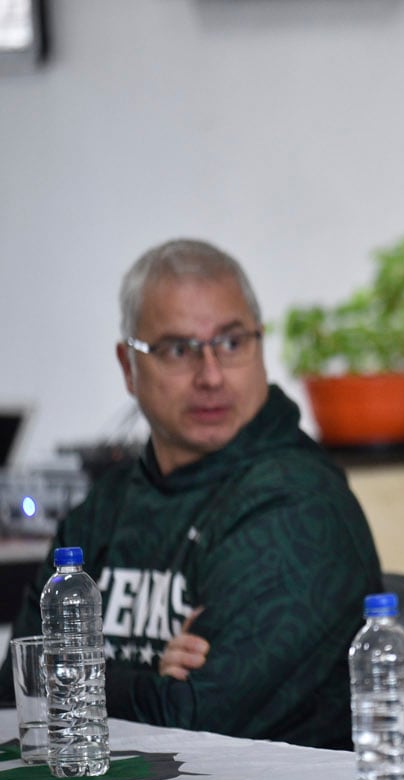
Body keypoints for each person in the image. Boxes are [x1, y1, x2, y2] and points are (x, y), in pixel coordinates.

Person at [1, 239, 382, 749]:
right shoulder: (104, 508)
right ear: (127, 366)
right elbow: (14, 689)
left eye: (231, 343)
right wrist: (146, 678)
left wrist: (91, 677)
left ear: (260, 345)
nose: (211, 375)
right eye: (178, 349)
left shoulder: (298, 505)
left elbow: (195, 716)